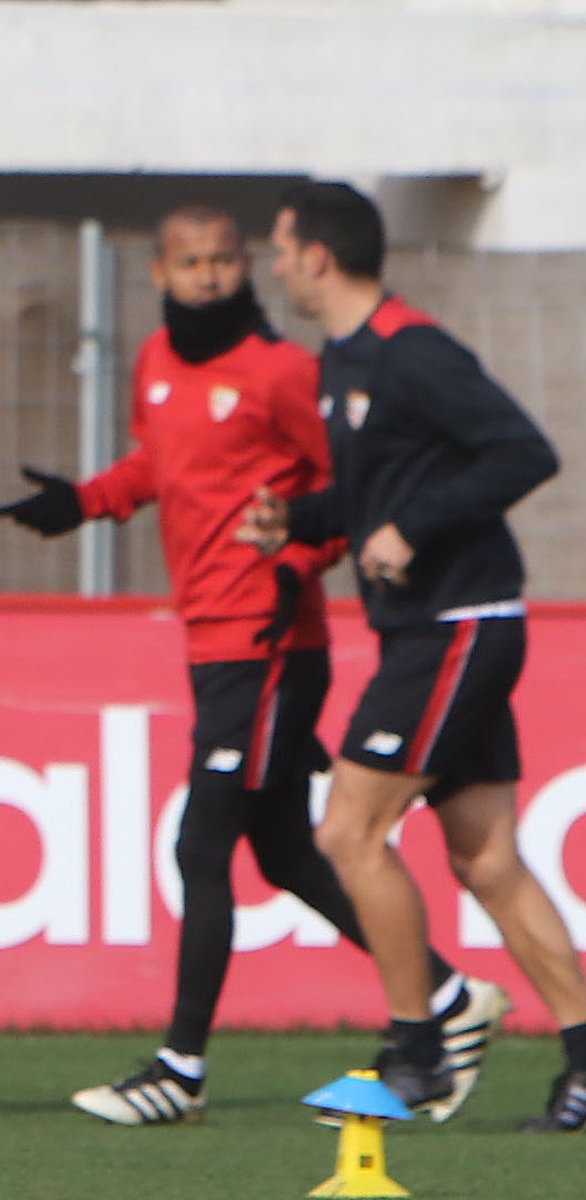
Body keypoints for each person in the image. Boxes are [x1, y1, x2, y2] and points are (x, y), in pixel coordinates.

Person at [0, 203, 504, 1127]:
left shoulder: (282, 372)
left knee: (201, 843)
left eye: (226, 260)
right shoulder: (154, 364)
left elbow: (345, 496)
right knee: (282, 854)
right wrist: (86, 502)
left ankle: (180, 1069)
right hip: (211, 640)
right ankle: (443, 995)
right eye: (191, 262)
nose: (210, 276)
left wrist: (294, 567)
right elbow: (162, 465)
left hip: (269, 642)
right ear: (158, 274)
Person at [242, 180, 586, 1131]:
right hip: (433, 624)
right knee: (485, 859)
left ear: (317, 254)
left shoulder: (413, 351)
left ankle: (421, 1048)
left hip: (456, 623)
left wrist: (413, 526)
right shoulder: (342, 361)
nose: (274, 265)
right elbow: (366, 500)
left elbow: (523, 451)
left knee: (348, 834)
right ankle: (583, 1060)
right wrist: (299, 522)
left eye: (279, 246)